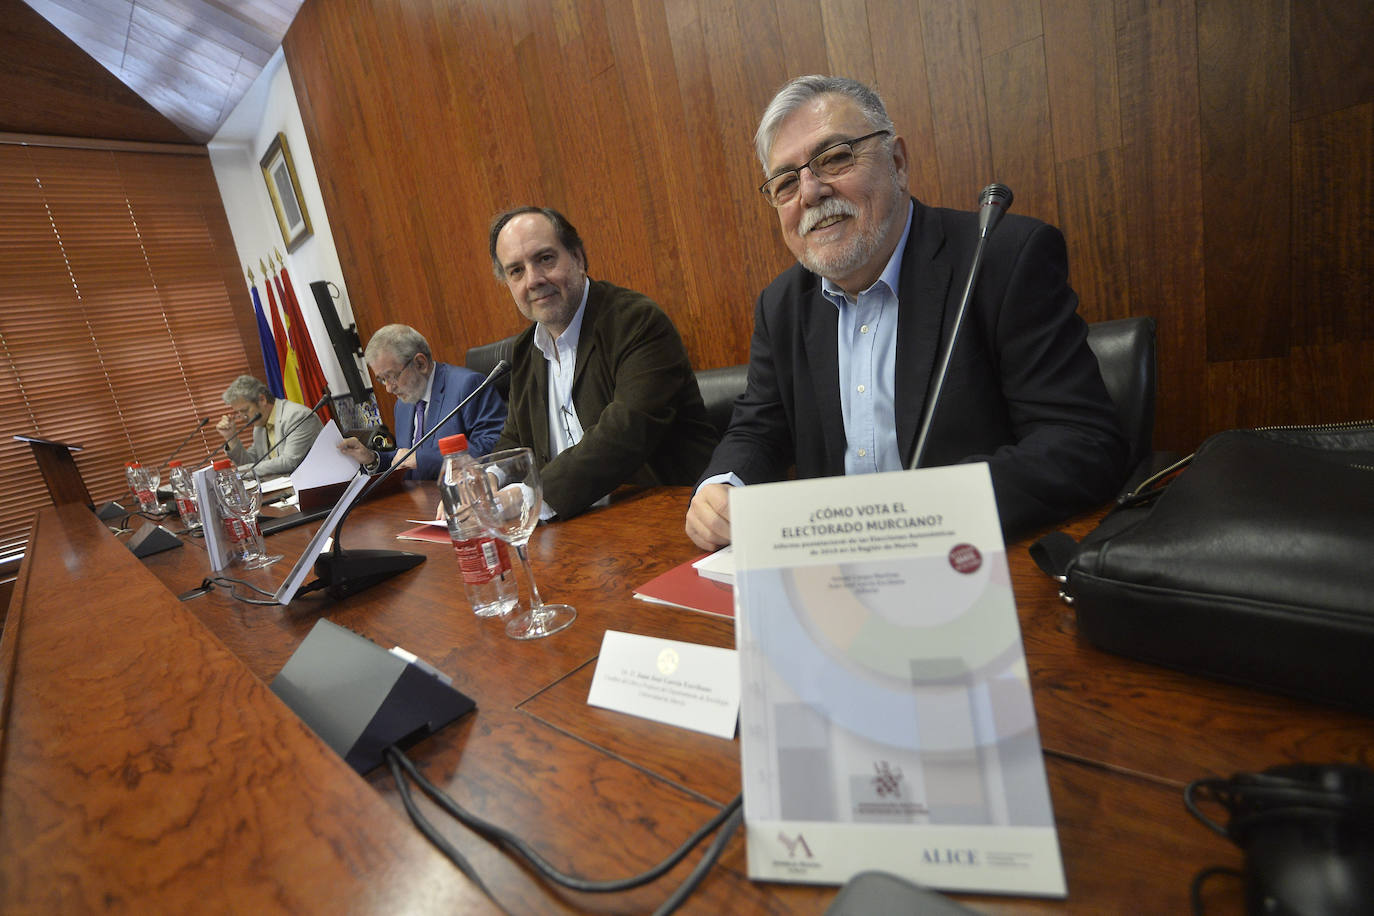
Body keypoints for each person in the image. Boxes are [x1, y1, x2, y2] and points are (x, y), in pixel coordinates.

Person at [685, 75, 1129, 550]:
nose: (810, 192)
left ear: (896, 162)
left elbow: (1081, 441)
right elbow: (758, 430)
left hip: (974, 563)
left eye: (834, 158)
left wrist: (927, 511)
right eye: (786, 182)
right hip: (833, 584)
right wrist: (723, 486)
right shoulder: (781, 304)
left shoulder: (1001, 257)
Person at [487, 206, 719, 520]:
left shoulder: (635, 321)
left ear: (578, 258)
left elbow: (626, 431)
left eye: (545, 259)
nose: (533, 280)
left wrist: (528, 495)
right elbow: (515, 438)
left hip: (666, 516)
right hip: (575, 526)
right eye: (516, 271)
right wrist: (485, 480)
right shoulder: (526, 349)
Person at [338, 324, 506, 479]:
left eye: (392, 377)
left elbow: (492, 449)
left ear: (420, 363)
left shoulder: (468, 386)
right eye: (382, 380)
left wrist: (422, 459)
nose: (389, 388)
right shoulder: (402, 405)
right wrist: (372, 458)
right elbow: (404, 458)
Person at [217, 375, 324, 477]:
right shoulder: (260, 427)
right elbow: (252, 463)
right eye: (239, 412)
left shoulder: (296, 416)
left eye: (245, 411)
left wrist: (240, 471)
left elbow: (289, 462)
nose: (243, 417)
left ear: (262, 399)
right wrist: (231, 438)